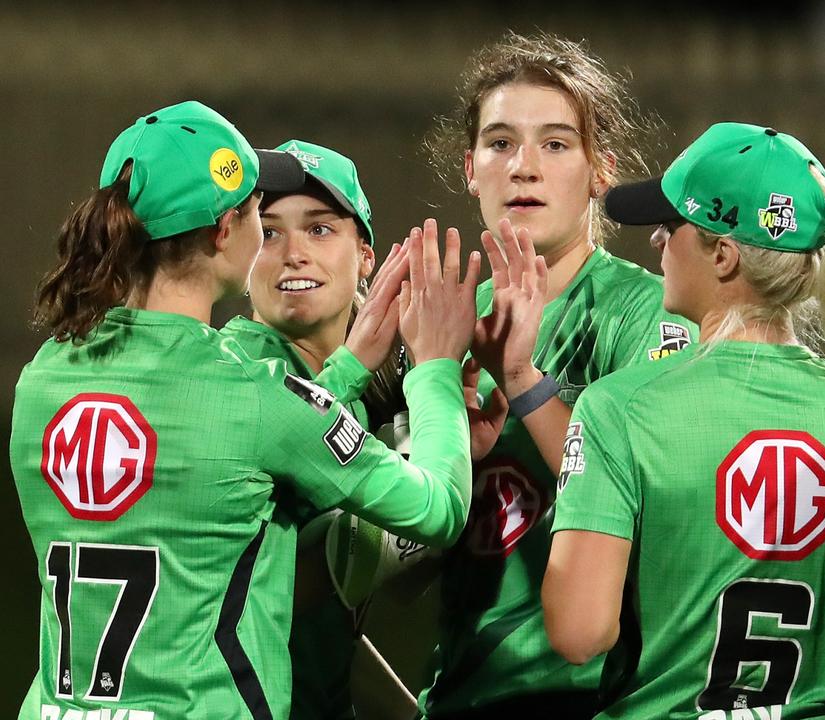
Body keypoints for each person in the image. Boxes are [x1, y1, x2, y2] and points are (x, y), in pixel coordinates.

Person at [11, 100, 494, 719]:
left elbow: (247, 437)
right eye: (259, 219)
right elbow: (438, 508)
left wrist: (346, 369)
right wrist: (434, 370)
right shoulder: (249, 389)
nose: (284, 246)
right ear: (225, 233)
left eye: (320, 228)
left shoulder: (45, 373)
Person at [542, 122, 825, 719]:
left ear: (723, 254)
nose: (656, 243)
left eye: (671, 227)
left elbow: (579, 633)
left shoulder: (621, 408)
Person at [416, 31, 698, 719]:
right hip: (463, 698)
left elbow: (660, 514)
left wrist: (524, 383)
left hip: (602, 697)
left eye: (556, 144)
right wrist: (436, 458)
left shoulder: (654, 318)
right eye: (501, 142)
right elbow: (405, 573)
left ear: (601, 172)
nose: (524, 168)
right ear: (469, 168)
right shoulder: (440, 324)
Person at [221, 138, 426, 720]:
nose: (292, 254)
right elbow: (274, 590)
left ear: (366, 254)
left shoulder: (363, 394)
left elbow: (325, 626)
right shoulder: (235, 374)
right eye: (269, 231)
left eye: (319, 229)